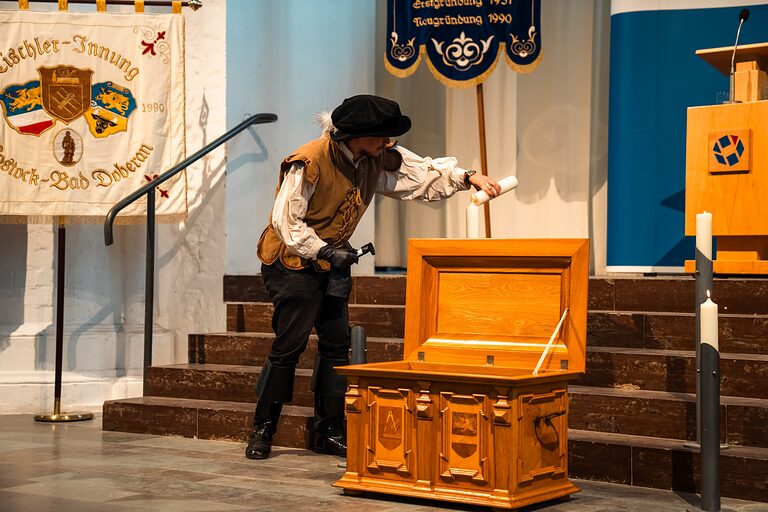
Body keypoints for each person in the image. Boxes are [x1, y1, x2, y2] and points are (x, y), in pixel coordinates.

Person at [246, 94, 500, 460]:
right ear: (355, 135)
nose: (388, 142)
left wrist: (467, 177)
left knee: (336, 346)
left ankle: (329, 430)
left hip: (333, 262)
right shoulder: (309, 161)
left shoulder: (374, 157)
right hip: (292, 262)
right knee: (289, 345)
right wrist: (324, 251)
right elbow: (286, 221)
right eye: (382, 135)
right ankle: (263, 429)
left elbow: (419, 176)